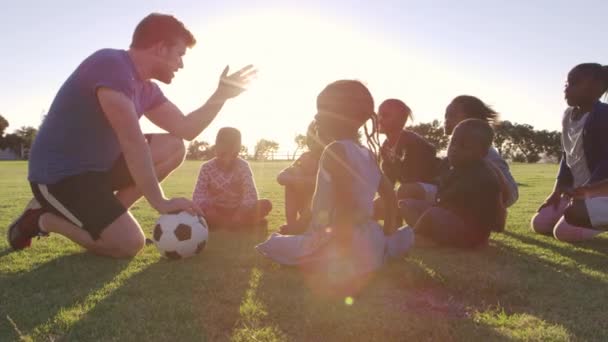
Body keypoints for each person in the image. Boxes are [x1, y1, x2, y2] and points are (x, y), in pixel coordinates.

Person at [7, 13, 256, 258]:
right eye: (179, 54)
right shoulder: (111, 65)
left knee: (174, 147)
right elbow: (132, 142)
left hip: (100, 170)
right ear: (161, 48)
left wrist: (220, 95)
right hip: (61, 176)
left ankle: (109, 222)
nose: (181, 64)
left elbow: (186, 128)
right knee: (129, 244)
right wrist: (161, 202)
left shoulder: (146, 88)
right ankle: (42, 219)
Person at [256, 80, 414, 287]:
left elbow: (344, 202)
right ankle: (385, 248)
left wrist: (343, 246)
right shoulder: (367, 154)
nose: (316, 116)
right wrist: (389, 230)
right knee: (388, 243)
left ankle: (348, 258)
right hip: (369, 238)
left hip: (340, 242)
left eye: (322, 109)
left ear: (342, 116)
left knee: (274, 245)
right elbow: (389, 194)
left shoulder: (335, 151)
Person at [531, 63, 608, 242]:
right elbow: (567, 155)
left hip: (599, 191)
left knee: (564, 233)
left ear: (595, 88)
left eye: (573, 84)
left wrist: (588, 193)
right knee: (540, 224)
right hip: (577, 191)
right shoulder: (567, 115)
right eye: (566, 84)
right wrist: (557, 191)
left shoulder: (604, 115)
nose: (566, 89)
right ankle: (582, 212)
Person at [400, 95, 518, 209]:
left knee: (409, 191)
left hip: (480, 200)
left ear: (471, 120)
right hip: (463, 197)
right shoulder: (457, 149)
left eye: (451, 115)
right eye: (446, 115)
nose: (446, 120)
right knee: (407, 200)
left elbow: (510, 194)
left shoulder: (478, 149)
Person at [401, 119, 505, 248]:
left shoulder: (481, 175)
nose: (455, 149)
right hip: (449, 218)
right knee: (406, 204)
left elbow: (495, 216)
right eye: (453, 143)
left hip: (471, 231)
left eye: (464, 146)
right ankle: (428, 237)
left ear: (482, 153)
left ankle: (413, 237)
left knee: (433, 214)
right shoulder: (452, 166)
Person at [192, 127, 272, 229]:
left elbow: (250, 193)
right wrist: (209, 209)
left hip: (239, 208)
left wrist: (240, 212)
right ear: (216, 149)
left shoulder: (243, 166)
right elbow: (198, 195)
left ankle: (233, 223)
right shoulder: (207, 168)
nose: (227, 159)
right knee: (196, 211)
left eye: (231, 153)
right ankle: (243, 223)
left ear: (237, 150)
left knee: (265, 204)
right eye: (223, 154)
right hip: (215, 209)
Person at [373, 99, 439, 220]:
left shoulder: (412, 142)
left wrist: (390, 196)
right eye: (379, 115)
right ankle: (390, 234)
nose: (380, 119)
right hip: (410, 189)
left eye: (385, 115)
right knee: (374, 205)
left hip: (433, 188)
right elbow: (389, 181)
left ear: (401, 120)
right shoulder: (385, 147)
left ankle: (412, 231)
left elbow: (416, 176)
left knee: (403, 191)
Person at [276, 120, 324, 235]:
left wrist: (306, 181)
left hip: (325, 211)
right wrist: (297, 180)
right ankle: (293, 224)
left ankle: (301, 225)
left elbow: (325, 182)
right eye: (310, 139)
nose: (312, 143)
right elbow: (282, 176)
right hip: (307, 210)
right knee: (291, 182)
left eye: (316, 139)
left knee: (319, 190)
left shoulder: (330, 158)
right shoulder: (305, 157)